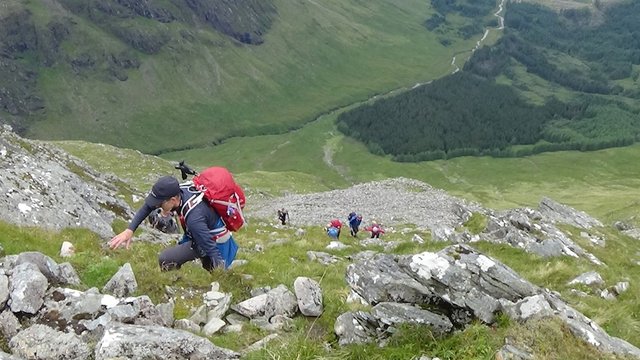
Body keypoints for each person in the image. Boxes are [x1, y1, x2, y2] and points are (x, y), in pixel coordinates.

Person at [108, 175, 238, 271]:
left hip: (214, 241)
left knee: (166, 259)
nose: (157, 206)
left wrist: (221, 272)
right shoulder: (180, 191)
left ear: (173, 200)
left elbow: (210, 246)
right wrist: (129, 230)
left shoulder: (194, 218)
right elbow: (148, 206)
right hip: (202, 233)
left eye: (159, 203)